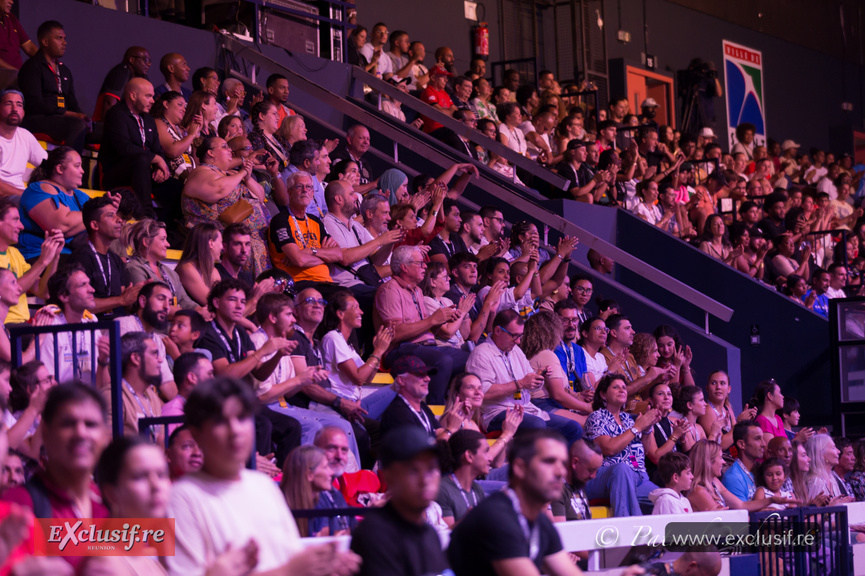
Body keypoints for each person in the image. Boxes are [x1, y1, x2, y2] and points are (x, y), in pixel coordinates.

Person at [166, 376, 361, 576]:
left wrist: (326, 564)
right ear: (197, 433)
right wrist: (291, 570)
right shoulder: (183, 497)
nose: (235, 431)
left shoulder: (262, 485)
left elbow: (290, 555)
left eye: (242, 418)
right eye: (221, 421)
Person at [449, 429, 584, 576]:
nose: (560, 472)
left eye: (563, 463)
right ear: (520, 468)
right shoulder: (495, 518)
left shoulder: (540, 522)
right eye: (549, 462)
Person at [251, 292, 361, 457]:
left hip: (283, 405)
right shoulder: (257, 342)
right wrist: (299, 379)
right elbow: (262, 396)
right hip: (266, 408)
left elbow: (287, 392)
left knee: (342, 425)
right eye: (289, 314)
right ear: (272, 317)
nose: (293, 320)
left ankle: (346, 479)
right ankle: (302, 477)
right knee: (313, 426)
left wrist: (306, 378)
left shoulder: (283, 341)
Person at [466, 309, 583, 444]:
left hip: (526, 408)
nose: (518, 341)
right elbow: (481, 393)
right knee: (536, 425)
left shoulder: (515, 351)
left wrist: (537, 378)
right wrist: (520, 384)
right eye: (514, 336)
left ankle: (556, 464)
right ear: (498, 331)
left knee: (573, 428)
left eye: (520, 336)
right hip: (496, 412)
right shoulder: (481, 353)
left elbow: (528, 384)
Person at [374, 245, 470, 404]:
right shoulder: (389, 290)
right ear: (404, 267)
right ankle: (434, 409)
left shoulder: (417, 291)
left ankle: (456, 407)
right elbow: (395, 333)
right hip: (400, 348)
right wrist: (433, 319)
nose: (425, 266)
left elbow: (425, 327)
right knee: (443, 360)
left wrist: (442, 319)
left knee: (472, 359)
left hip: (425, 346)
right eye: (420, 263)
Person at [350, 426, 448, 576]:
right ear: (389, 476)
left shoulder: (429, 534)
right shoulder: (375, 534)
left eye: (431, 468)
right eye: (414, 470)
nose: (425, 480)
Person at [182, 136, 271, 277]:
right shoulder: (200, 173)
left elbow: (260, 197)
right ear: (210, 153)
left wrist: (247, 177)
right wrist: (242, 172)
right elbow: (219, 190)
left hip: (256, 243)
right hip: (226, 244)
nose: (230, 150)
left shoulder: (232, 173)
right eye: (224, 147)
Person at [584, 374, 660, 516]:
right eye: (616, 387)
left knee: (666, 498)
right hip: (604, 475)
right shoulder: (596, 417)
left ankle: (669, 538)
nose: (622, 390)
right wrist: (637, 428)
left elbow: (643, 451)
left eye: (624, 388)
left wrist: (648, 428)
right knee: (622, 469)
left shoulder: (628, 419)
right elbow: (609, 448)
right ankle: (631, 534)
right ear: (603, 394)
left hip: (638, 476)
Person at [100, 78, 172, 219]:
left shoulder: (149, 119)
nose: (152, 100)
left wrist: (159, 167)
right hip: (117, 173)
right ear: (133, 96)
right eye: (148, 96)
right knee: (140, 160)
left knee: (176, 188)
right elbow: (123, 148)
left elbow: (158, 150)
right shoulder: (116, 114)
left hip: (145, 172)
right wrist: (154, 159)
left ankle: (171, 229)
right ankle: (146, 218)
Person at [17, 21, 88, 152]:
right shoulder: (32, 67)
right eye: (59, 38)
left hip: (61, 118)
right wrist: (67, 113)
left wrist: (83, 116)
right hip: (38, 118)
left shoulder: (65, 70)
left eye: (64, 38)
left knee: (100, 129)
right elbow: (34, 103)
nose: (64, 42)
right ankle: (65, 167)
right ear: (45, 42)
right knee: (77, 125)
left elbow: (72, 102)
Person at [67, 195, 139, 316]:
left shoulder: (116, 259)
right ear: (95, 225)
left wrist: (140, 295)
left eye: (117, 215)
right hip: (92, 327)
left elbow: (124, 302)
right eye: (111, 215)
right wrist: (121, 300)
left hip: (116, 325)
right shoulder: (81, 258)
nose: (119, 220)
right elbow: (80, 304)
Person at [18, 146, 91, 261]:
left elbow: (99, 221)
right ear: (60, 169)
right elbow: (61, 226)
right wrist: (96, 213)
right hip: (40, 255)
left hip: (74, 255)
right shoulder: (40, 188)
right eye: (77, 166)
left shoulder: (81, 196)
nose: (82, 171)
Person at [688, 439, 796, 512]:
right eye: (720, 458)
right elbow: (721, 523)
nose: (724, 462)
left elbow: (741, 505)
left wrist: (771, 500)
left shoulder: (714, 481)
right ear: (708, 461)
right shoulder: (699, 491)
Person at [523, 311, 591, 424]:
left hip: (542, 403)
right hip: (543, 404)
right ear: (551, 332)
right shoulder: (547, 355)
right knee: (590, 424)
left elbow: (564, 391)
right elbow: (558, 395)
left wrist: (579, 397)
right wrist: (588, 407)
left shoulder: (538, 353)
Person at [0, 197, 61, 323]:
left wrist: (54, 257)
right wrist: (42, 261)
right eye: (16, 220)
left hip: (22, 325)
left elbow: (43, 292)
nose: (21, 226)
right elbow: (10, 291)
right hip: (5, 325)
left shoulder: (15, 253)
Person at [116, 281, 178, 398]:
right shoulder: (125, 326)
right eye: (161, 299)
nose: (167, 307)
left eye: (169, 303)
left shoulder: (157, 340)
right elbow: (132, 381)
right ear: (143, 301)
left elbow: (167, 383)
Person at [38, 264, 97, 382]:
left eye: (88, 283)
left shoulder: (93, 321)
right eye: (83, 285)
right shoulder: (50, 326)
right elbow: (49, 381)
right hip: (62, 398)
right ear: (64, 296)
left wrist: (103, 363)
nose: (92, 289)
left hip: (91, 398)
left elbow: (103, 383)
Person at [124, 219, 200, 311]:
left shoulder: (170, 273)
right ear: (146, 242)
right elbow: (150, 307)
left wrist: (201, 311)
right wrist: (190, 314)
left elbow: (185, 301)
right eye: (163, 239)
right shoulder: (134, 268)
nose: (168, 244)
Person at [281, 445, 345, 537]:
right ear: (310, 474)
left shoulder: (318, 503)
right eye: (326, 467)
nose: (331, 472)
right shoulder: (279, 509)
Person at [379, 355, 448, 439]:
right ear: (401, 380)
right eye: (420, 374)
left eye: (426, 374)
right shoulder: (398, 413)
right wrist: (450, 430)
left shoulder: (423, 407)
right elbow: (421, 450)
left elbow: (439, 431)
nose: (428, 379)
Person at [436, 429, 488, 527]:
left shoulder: (477, 489)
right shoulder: (442, 490)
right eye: (485, 452)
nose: (490, 458)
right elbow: (445, 536)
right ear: (469, 456)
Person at [0, 89, 47, 197]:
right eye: (8, 104)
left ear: (23, 112)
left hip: (20, 196)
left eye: (19, 105)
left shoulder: (25, 136)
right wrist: (27, 195)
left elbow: (48, 164)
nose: (14, 109)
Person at [550, 438, 603, 522]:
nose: (594, 476)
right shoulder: (557, 491)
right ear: (575, 462)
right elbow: (560, 532)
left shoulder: (579, 486)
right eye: (591, 470)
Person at [93, 46, 151, 121]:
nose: (149, 64)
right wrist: (110, 128)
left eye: (149, 61)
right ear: (132, 60)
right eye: (145, 60)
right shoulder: (120, 73)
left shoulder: (142, 78)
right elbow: (109, 103)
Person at [161, 351, 213, 433]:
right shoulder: (172, 413)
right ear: (192, 378)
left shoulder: (200, 410)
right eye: (209, 374)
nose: (213, 379)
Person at [176, 223, 222, 307]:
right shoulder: (187, 268)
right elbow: (214, 304)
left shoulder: (214, 271)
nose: (222, 247)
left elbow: (223, 302)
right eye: (221, 242)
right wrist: (251, 303)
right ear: (211, 243)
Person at [721, 420, 765, 501]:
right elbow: (742, 513)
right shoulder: (733, 477)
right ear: (741, 444)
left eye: (763, 438)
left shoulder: (765, 470)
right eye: (757, 439)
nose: (763, 444)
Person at [804, 434, 854, 502]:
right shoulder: (815, 482)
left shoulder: (833, 480)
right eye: (833, 448)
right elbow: (813, 512)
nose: (838, 451)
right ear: (820, 453)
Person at [332, 124, 377, 193]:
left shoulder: (366, 165)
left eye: (368, 139)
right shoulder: (340, 159)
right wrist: (375, 184)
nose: (366, 142)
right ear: (350, 139)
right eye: (361, 138)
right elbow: (341, 188)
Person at [752, 379, 786, 443]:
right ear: (770, 396)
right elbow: (771, 450)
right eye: (779, 392)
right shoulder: (762, 421)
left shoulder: (778, 418)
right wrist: (797, 440)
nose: (782, 396)